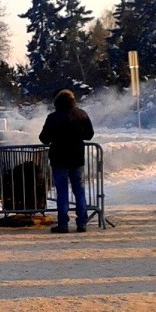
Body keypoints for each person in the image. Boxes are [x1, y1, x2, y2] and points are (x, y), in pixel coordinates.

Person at [38, 89, 94, 233]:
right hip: (77, 158)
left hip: (59, 159)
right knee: (79, 191)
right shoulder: (82, 115)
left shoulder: (53, 117)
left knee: (62, 192)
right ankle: (82, 223)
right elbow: (89, 135)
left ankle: (63, 224)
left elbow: (44, 138)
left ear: (57, 103)